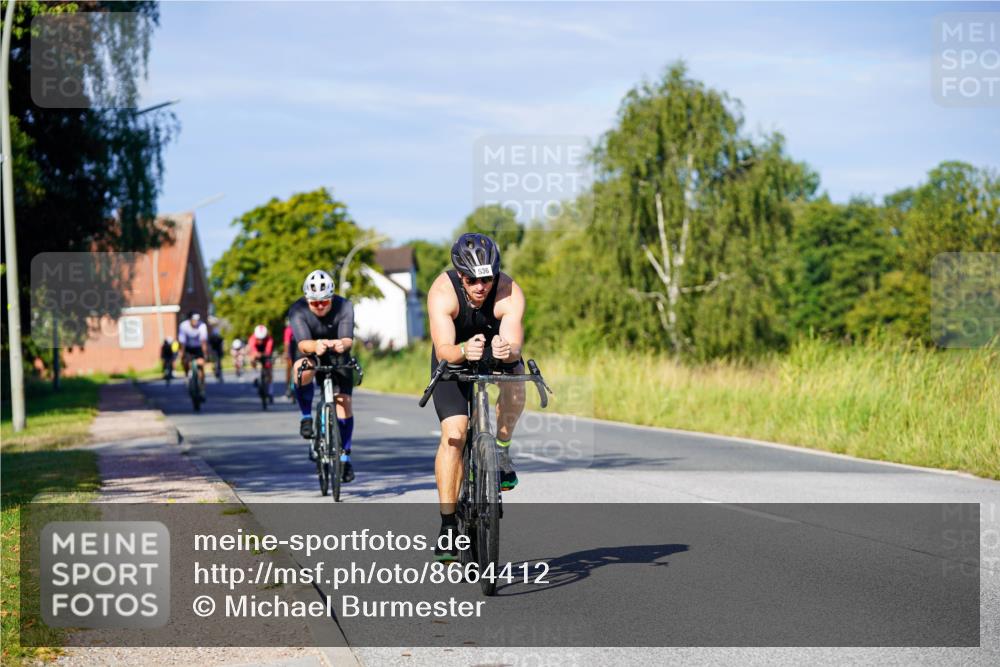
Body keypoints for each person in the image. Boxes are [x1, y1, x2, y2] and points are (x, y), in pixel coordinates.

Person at [426, 233, 526, 561]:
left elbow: (514, 347)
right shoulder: (443, 292)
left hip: (494, 353)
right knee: (454, 433)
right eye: (472, 280)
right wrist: (462, 350)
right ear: (459, 275)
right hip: (453, 355)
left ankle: (500, 450)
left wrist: (505, 350)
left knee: (516, 384)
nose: (481, 286)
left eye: (487, 278)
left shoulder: (509, 292)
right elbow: (443, 349)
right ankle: (447, 524)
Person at [288, 269, 356, 482]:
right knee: (301, 369)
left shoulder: (344, 306)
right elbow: (301, 343)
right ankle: (306, 416)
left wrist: (340, 343)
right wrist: (316, 345)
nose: (319, 306)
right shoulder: (298, 309)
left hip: (338, 355)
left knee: (343, 403)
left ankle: (344, 458)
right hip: (311, 350)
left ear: (332, 298)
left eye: (324, 302)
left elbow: (348, 339)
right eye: (314, 302)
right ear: (307, 299)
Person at [178, 311, 209, 398]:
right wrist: (182, 354)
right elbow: (182, 342)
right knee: (185, 362)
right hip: (188, 348)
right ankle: (187, 375)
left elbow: (203, 342)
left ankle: (202, 386)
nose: (196, 322)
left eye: (197, 320)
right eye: (194, 320)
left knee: (201, 364)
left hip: (198, 348)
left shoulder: (202, 326)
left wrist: (205, 354)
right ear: (189, 320)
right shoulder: (183, 326)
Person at [248, 324, 275, 403]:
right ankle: (255, 374)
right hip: (256, 352)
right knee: (252, 359)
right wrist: (256, 355)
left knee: (269, 367)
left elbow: (268, 351)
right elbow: (252, 350)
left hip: (265, 352)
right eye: (259, 339)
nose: (260, 341)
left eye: (262, 339)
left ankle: (270, 391)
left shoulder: (269, 339)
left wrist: (265, 356)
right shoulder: (252, 339)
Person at [208, 317, 225, 381]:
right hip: (213, 348)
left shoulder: (218, 330)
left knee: (219, 361)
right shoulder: (210, 331)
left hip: (218, 348)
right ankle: (216, 370)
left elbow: (221, 340)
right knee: (215, 361)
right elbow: (209, 342)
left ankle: (219, 373)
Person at [283, 319, 295, 399]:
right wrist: (286, 353)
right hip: (291, 351)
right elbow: (286, 343)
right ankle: (288, 386)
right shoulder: (288, 330)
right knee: (289, 368)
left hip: (300, 350)